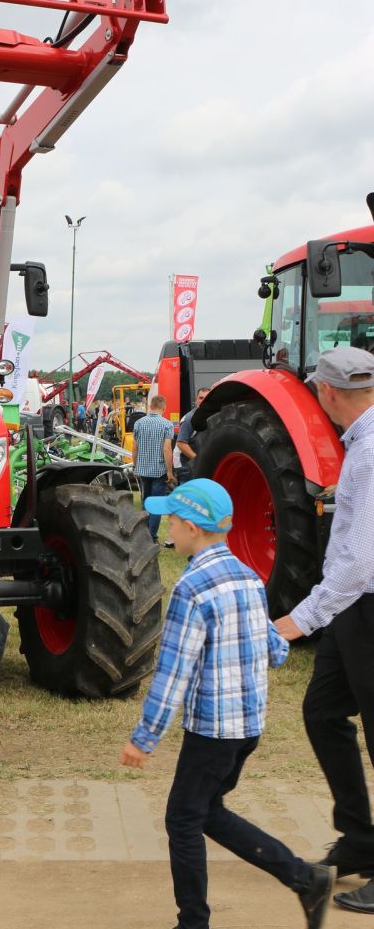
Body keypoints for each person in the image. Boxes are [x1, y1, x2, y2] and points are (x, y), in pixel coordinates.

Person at [120, 479, 335, 929]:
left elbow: (173, 673)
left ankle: (194, 922)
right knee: (206, 812)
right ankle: (303, 877)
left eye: (173, 521)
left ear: (193, 528)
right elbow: (274, 651)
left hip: (212, 732)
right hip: (248, 728)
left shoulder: (191, 589)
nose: (168, 529)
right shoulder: (249, 578)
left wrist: (144, 738)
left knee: (182, 820)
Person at [273, 346, 374, 913]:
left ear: (328, 393)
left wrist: (301, 618)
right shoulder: (360, 445)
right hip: (354, 607)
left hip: (364, 601)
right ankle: (361, 836)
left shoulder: (368, 453)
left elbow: (362, 561)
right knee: (323, 711)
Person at [132, 395, 175, 541]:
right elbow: (167, 449)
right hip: (159, 470)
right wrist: (169, 471)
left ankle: (144, 534)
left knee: (146, 501)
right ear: (164, 408)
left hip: (143, 469)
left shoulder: (138, 423)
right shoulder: (167, 424)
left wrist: (135, 466)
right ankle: (151, 536)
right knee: (156, 504)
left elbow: (134, 448)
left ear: (150, 406)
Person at [175, 387, 210, 484]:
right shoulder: (190, 418)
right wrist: (197, 460)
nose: (203, 401)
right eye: (201, 398)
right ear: (196, 399)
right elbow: (181, 443)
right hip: (187, 467)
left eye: (206, 398)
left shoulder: (210, 416)